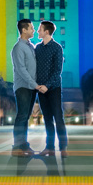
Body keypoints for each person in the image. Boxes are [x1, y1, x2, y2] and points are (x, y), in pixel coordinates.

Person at [34, 20, 67, 158]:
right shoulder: (37, 48)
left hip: (53, 89)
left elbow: (57, 70)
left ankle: (63, 147)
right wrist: (38, 86)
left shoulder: (57, 48)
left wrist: (47, 85)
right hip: (41, 89)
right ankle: (50, 148)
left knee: (58, 118)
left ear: (46, 31)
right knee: (47, 119)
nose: (37, 31)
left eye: (39, 29)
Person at [10, 18, 40, 157]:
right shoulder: (18, 48)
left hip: (31, 87)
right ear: (24, 30)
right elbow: (21, 70)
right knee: (22, 116)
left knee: (26, 116)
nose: (33, 30)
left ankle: (23, 144)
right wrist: (34, 84)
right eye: (31, 28)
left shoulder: (30, 46)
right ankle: (17, 146)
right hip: (23, 86)